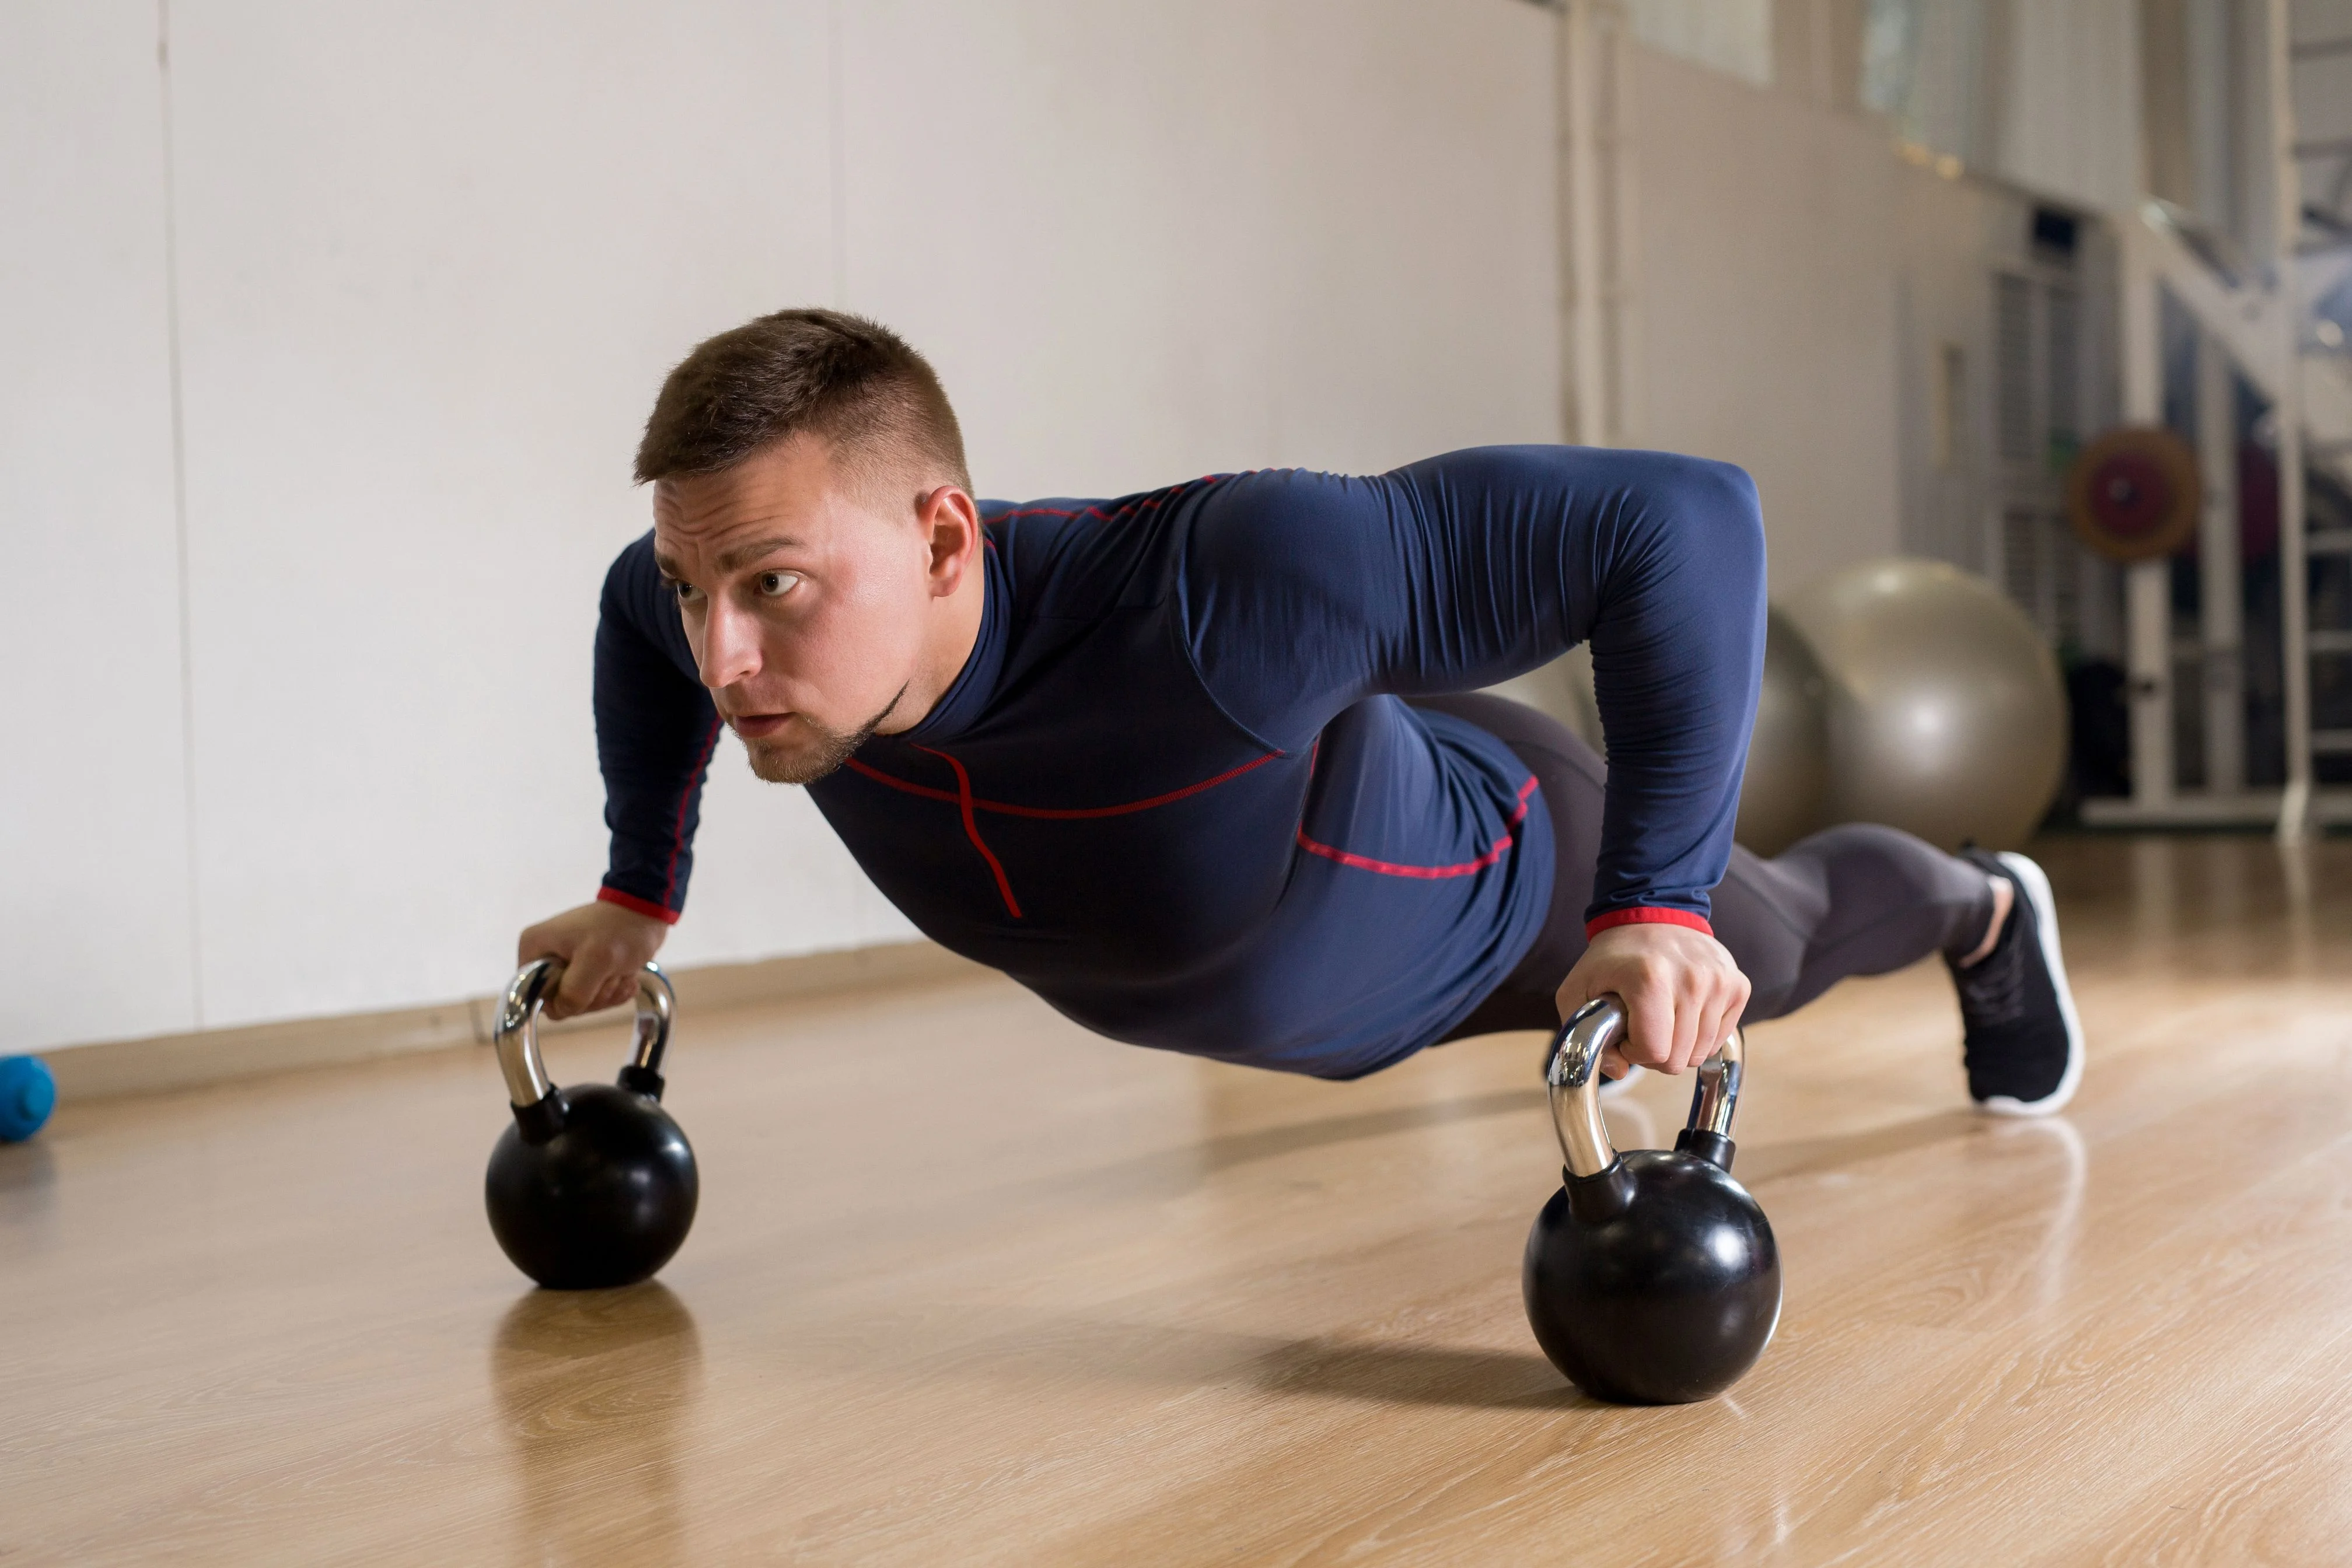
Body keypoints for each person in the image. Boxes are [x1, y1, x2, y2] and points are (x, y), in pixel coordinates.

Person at [519, 309, 2082, 1111]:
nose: (722, 656)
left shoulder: (1221, 589)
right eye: (691, 586)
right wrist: (638, 893)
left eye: (774, 586)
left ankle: (1986, 911)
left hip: (1508, 882)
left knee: (1782, 949)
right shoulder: (714, 626)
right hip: (1304, 991)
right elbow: (628, 620)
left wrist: (1660, 909)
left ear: (942, 542)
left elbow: (1680, 520)